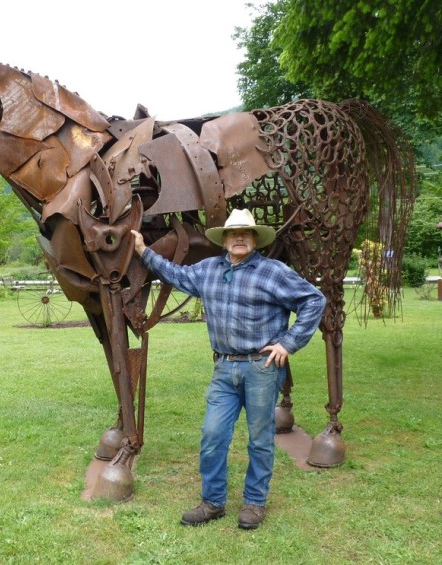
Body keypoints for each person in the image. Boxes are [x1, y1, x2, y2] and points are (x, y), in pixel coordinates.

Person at [130, 208, 326, 530]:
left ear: (254, 239)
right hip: (224, 368)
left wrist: (288, 344)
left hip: (261, 368)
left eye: (245, 233)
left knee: (260, 439)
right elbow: (174, 274)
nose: (238, 238)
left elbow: (313, 301)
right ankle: (213, 501)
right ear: (223, 239)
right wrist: (142, 251)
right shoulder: (208, 270)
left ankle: (254, 502)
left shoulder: (273, 272)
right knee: (212, 434)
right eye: (232, 233)